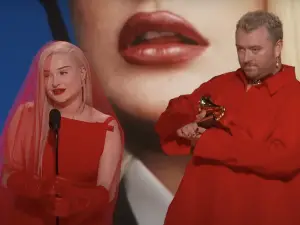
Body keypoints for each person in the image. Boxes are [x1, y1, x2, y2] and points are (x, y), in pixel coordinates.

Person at [155, 10, 300, 225]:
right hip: (199, 212)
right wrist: (186, 124)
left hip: (261, 214)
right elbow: (177, 110)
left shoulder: (294, 96)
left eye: (255, 49)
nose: (246, 58)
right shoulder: (221, 84)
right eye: (240, 49)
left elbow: (282, 159)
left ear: (278, 47)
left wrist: (208, 141)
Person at [0, 41, 124, 225]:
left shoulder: (107, 127)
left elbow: (107, 191)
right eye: (47, 75)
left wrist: (77, 199)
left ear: (82, 74)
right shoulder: (26, 115)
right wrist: (38, 188)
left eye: (63, 73)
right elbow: (7, 174)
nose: (55, 82)